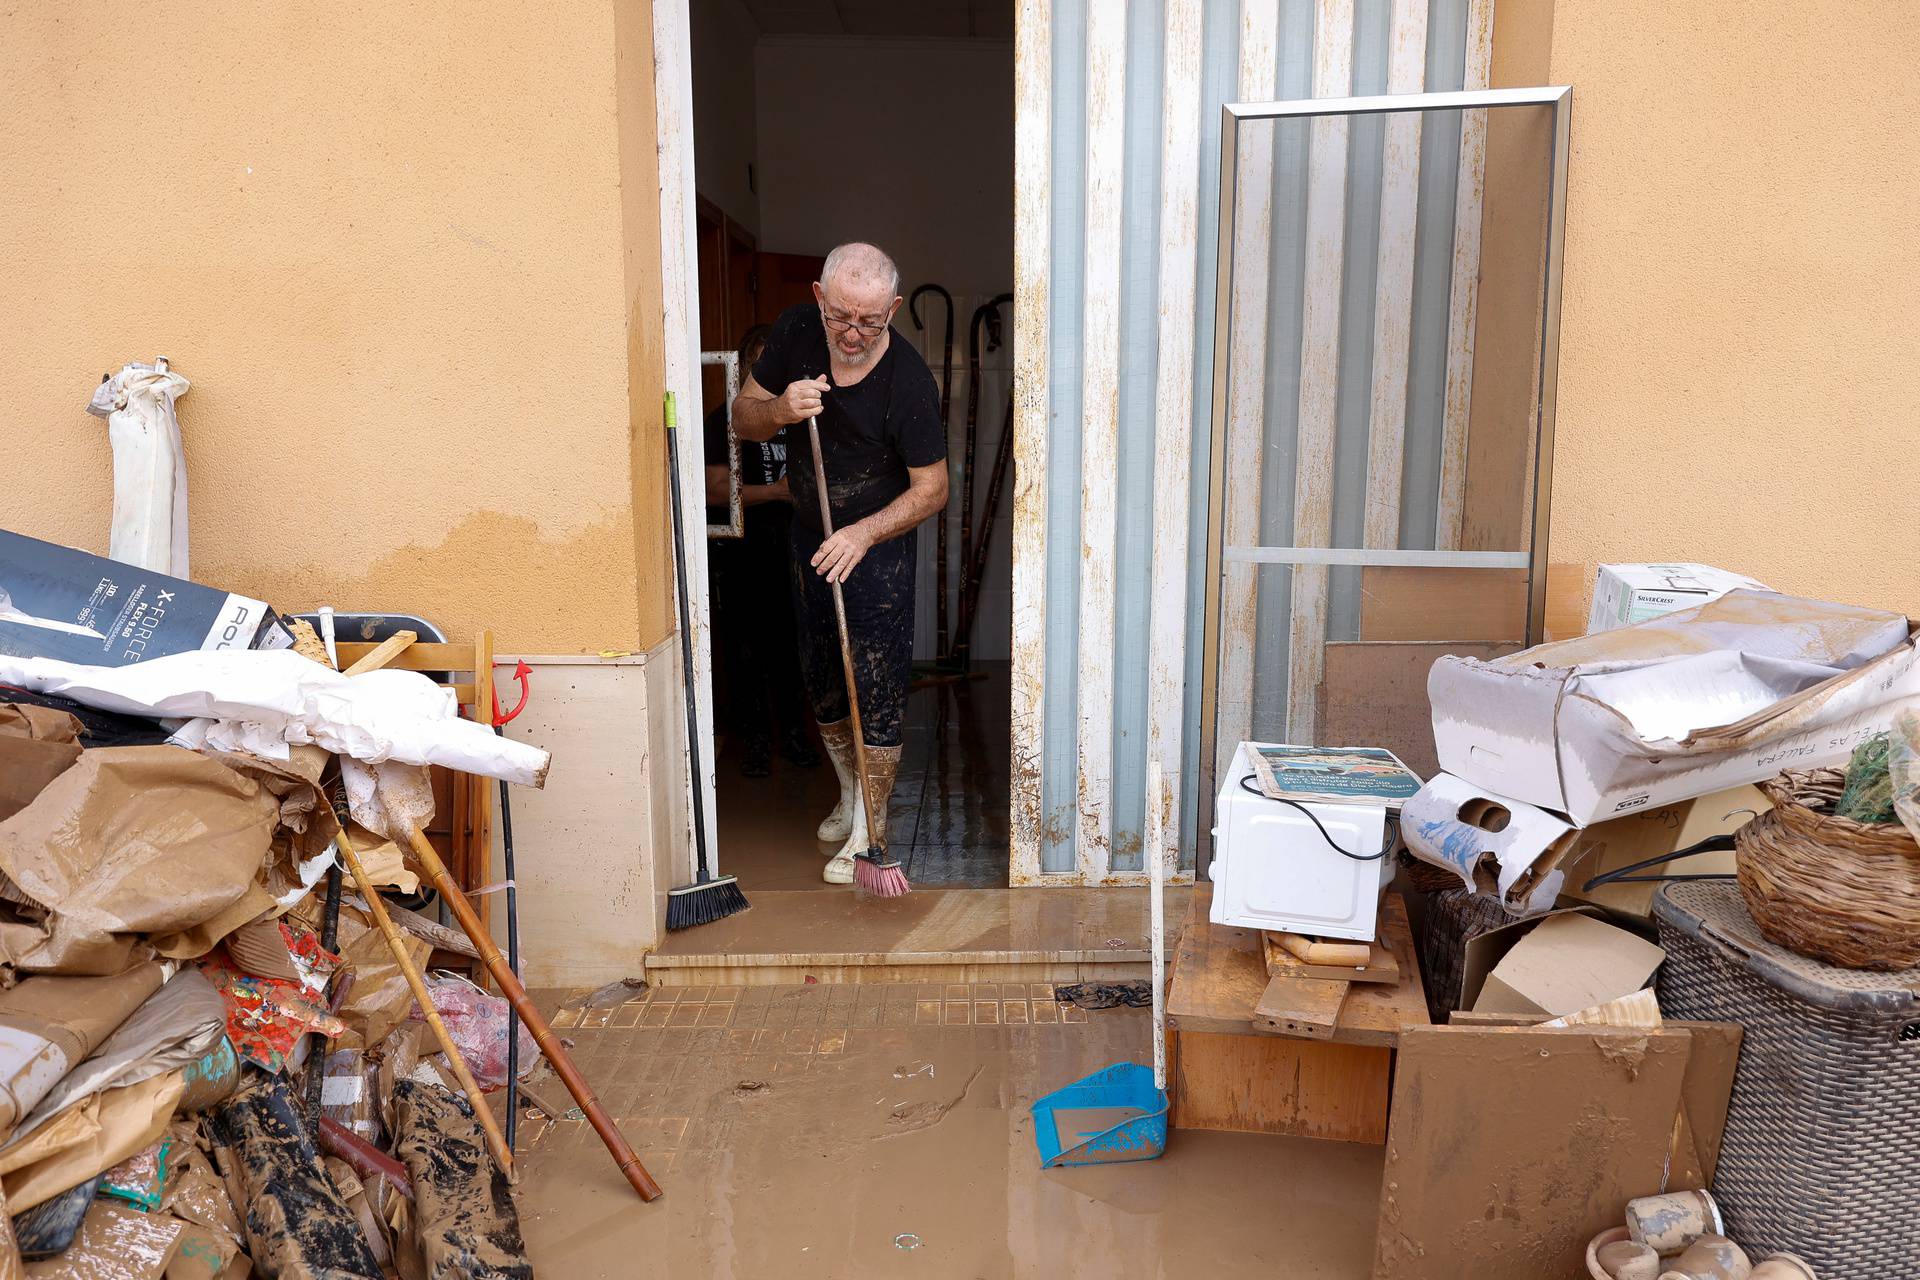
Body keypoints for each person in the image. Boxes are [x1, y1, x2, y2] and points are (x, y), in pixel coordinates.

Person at [730, 242, 948, 885]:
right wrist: (781, 409)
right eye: (842, 318)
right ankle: (850, 794)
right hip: (809, 534)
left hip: (876, 546)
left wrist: (863, 533)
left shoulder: (908, 381)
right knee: (822, 675)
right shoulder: (797, 332)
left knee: (875, 686)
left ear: (894, 311)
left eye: (871, 322)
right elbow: (744, 419)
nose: (853, 334)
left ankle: (870, 826)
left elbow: (932, 489)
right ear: (821, 299)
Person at [703, 326, 819, 777]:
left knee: (793, 647)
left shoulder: (805, 418)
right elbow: (714, 488)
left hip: (798, 554)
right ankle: (754, 740)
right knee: (745, 648)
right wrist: (776, 492)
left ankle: (794, 736)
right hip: (742, 553)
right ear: (747, 371)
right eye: (761, 365)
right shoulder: (725, 420)